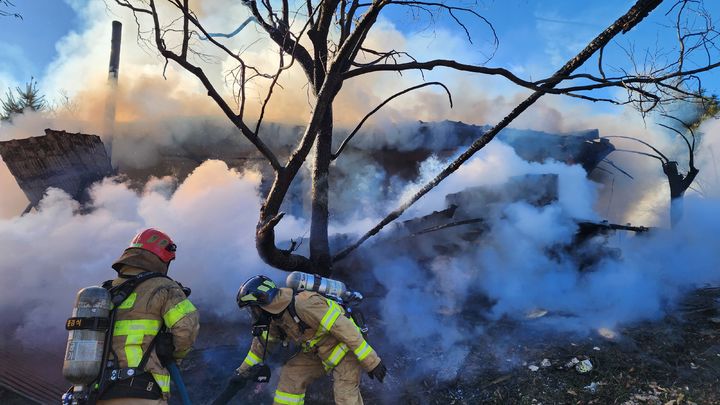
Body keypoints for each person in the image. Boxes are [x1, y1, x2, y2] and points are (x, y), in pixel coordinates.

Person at [232, 275, 386, 405]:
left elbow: (347, 331)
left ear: (263, 302)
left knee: (345, 396)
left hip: (345, 348)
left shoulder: (305, 304)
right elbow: (259, 349)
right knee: (290, 376)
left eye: (253, 308)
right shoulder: (274, 318)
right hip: (316, 352)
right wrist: (241, 372)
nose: (253, 313)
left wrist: (372, 362)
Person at [96, 228, 200, 405]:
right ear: (162, 258)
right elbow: (186, 328)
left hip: (96, 391)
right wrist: (174, 356)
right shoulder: (164, 287)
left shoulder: (106, 291)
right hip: (140, 389)